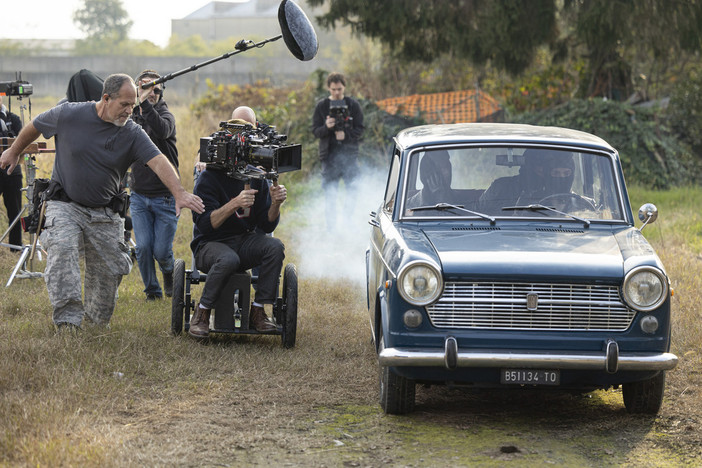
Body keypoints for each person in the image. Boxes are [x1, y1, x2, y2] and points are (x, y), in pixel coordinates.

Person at [0, 73, 204, 330]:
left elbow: (159, 160)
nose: (130, 111)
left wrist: (179, 192)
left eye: (133, 105)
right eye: (125, 105)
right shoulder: (69, 113)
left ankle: (94, 323)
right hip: (65, 204)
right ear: (106, 98)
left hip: (105, 212)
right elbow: (36, 125)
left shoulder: (132, 132)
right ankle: (68, 323)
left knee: (109, 271)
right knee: (63, 252)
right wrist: (14, 150)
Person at [189, 106, 287, 338]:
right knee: (228, 258)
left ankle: (258, 311)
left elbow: (266, 225)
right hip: (209, 245)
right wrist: (234, 203)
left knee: (275, 247)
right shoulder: (209, 176)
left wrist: (275, 204)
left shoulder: (256, 176)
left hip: (243, 241)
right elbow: (204, 224)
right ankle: (201, 314)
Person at [129, 70, 179, 301]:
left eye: (155, 90)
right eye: (145, 89)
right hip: (139, 194)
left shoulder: (165, 115)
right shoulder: (130, 118)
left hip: (165, 196)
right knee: (143, 248)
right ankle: (152, 292)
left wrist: (144, 105)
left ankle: (169, 271)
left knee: (161, 252)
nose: (151, 94)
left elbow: (161, 130)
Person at [312, 72, 364, 231]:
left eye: (339, 89)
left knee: (353, 192)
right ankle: (331, 229)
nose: (336, 92)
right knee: (330, 195)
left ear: (344, 88)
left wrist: (346, 135)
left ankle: (348, 224)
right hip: (329, 158)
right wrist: (326, 127)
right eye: (333, 89)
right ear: (328, 88)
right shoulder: (322, 107)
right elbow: (315, 131)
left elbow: (360, 130)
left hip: (349, 157)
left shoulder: (353, 105)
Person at [478, 148, 571, 214]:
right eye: (539, 165)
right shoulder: (500, 187)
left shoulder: (565, 196)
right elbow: (478, 213)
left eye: (548, 167)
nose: (542, 170)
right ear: (529, 166)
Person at [0, 94, 24, 249]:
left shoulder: (13, 119)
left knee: (14, 210)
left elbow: (23, 142)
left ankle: (15, 247)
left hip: (11, 171)